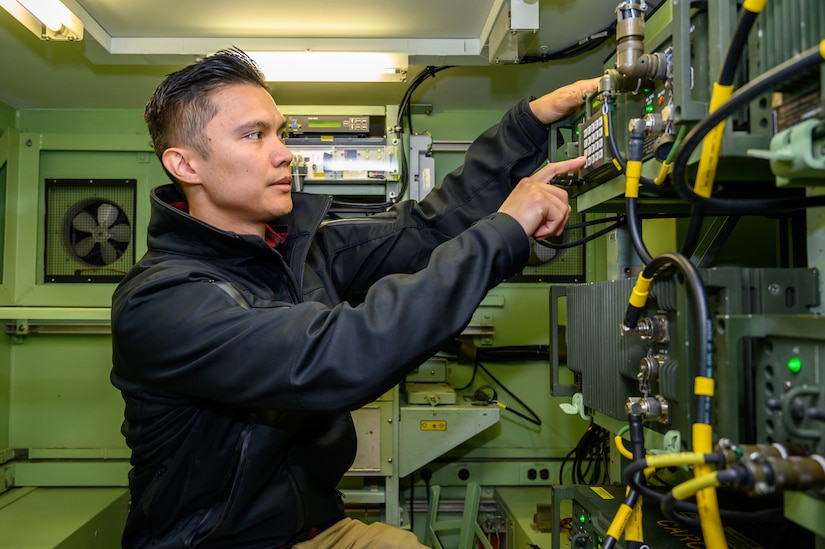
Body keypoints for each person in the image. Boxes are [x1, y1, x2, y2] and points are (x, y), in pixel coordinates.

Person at [110, 46, 599, 548]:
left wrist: (527, 126)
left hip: (313, 527)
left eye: (281, 133)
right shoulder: (163, 301)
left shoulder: (302, 252)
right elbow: (332, 355)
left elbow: (426, 227)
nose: (284, 153)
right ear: (184, 164)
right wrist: (503, 232)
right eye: (255, 135)